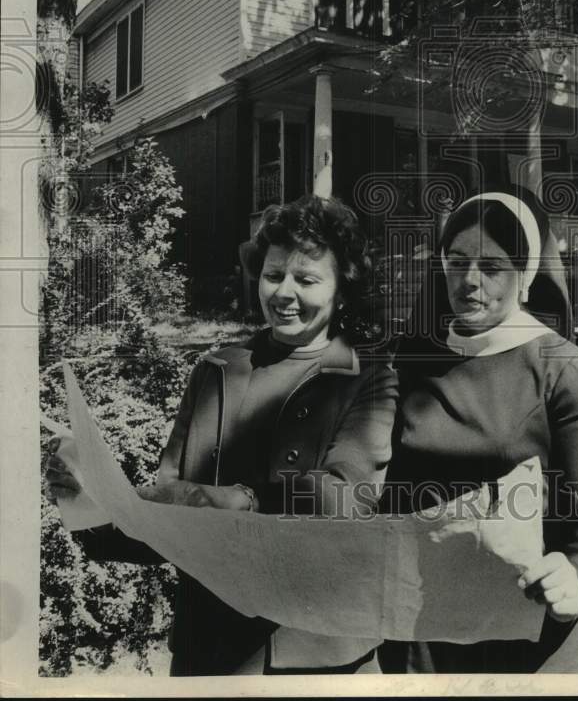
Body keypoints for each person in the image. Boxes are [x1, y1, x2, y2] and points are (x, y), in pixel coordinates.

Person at [44, 194, 398, 676]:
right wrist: (90, 503)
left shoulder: (368, 377)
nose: (284, 292)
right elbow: (166, 519)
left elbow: (345, 501)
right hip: (210, 650)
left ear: (342, 289)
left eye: (307, 279)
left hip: (314, 656)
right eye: (274, 275)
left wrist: (236, 502)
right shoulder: (214, 372)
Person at [379, 186, 578, 673]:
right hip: (429, 633)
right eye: (456, 262)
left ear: (526, 276)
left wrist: (577, 574)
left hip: (534, 632)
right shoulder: (407, 361)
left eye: (492, 267)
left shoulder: (565, 370)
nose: (469, 281)